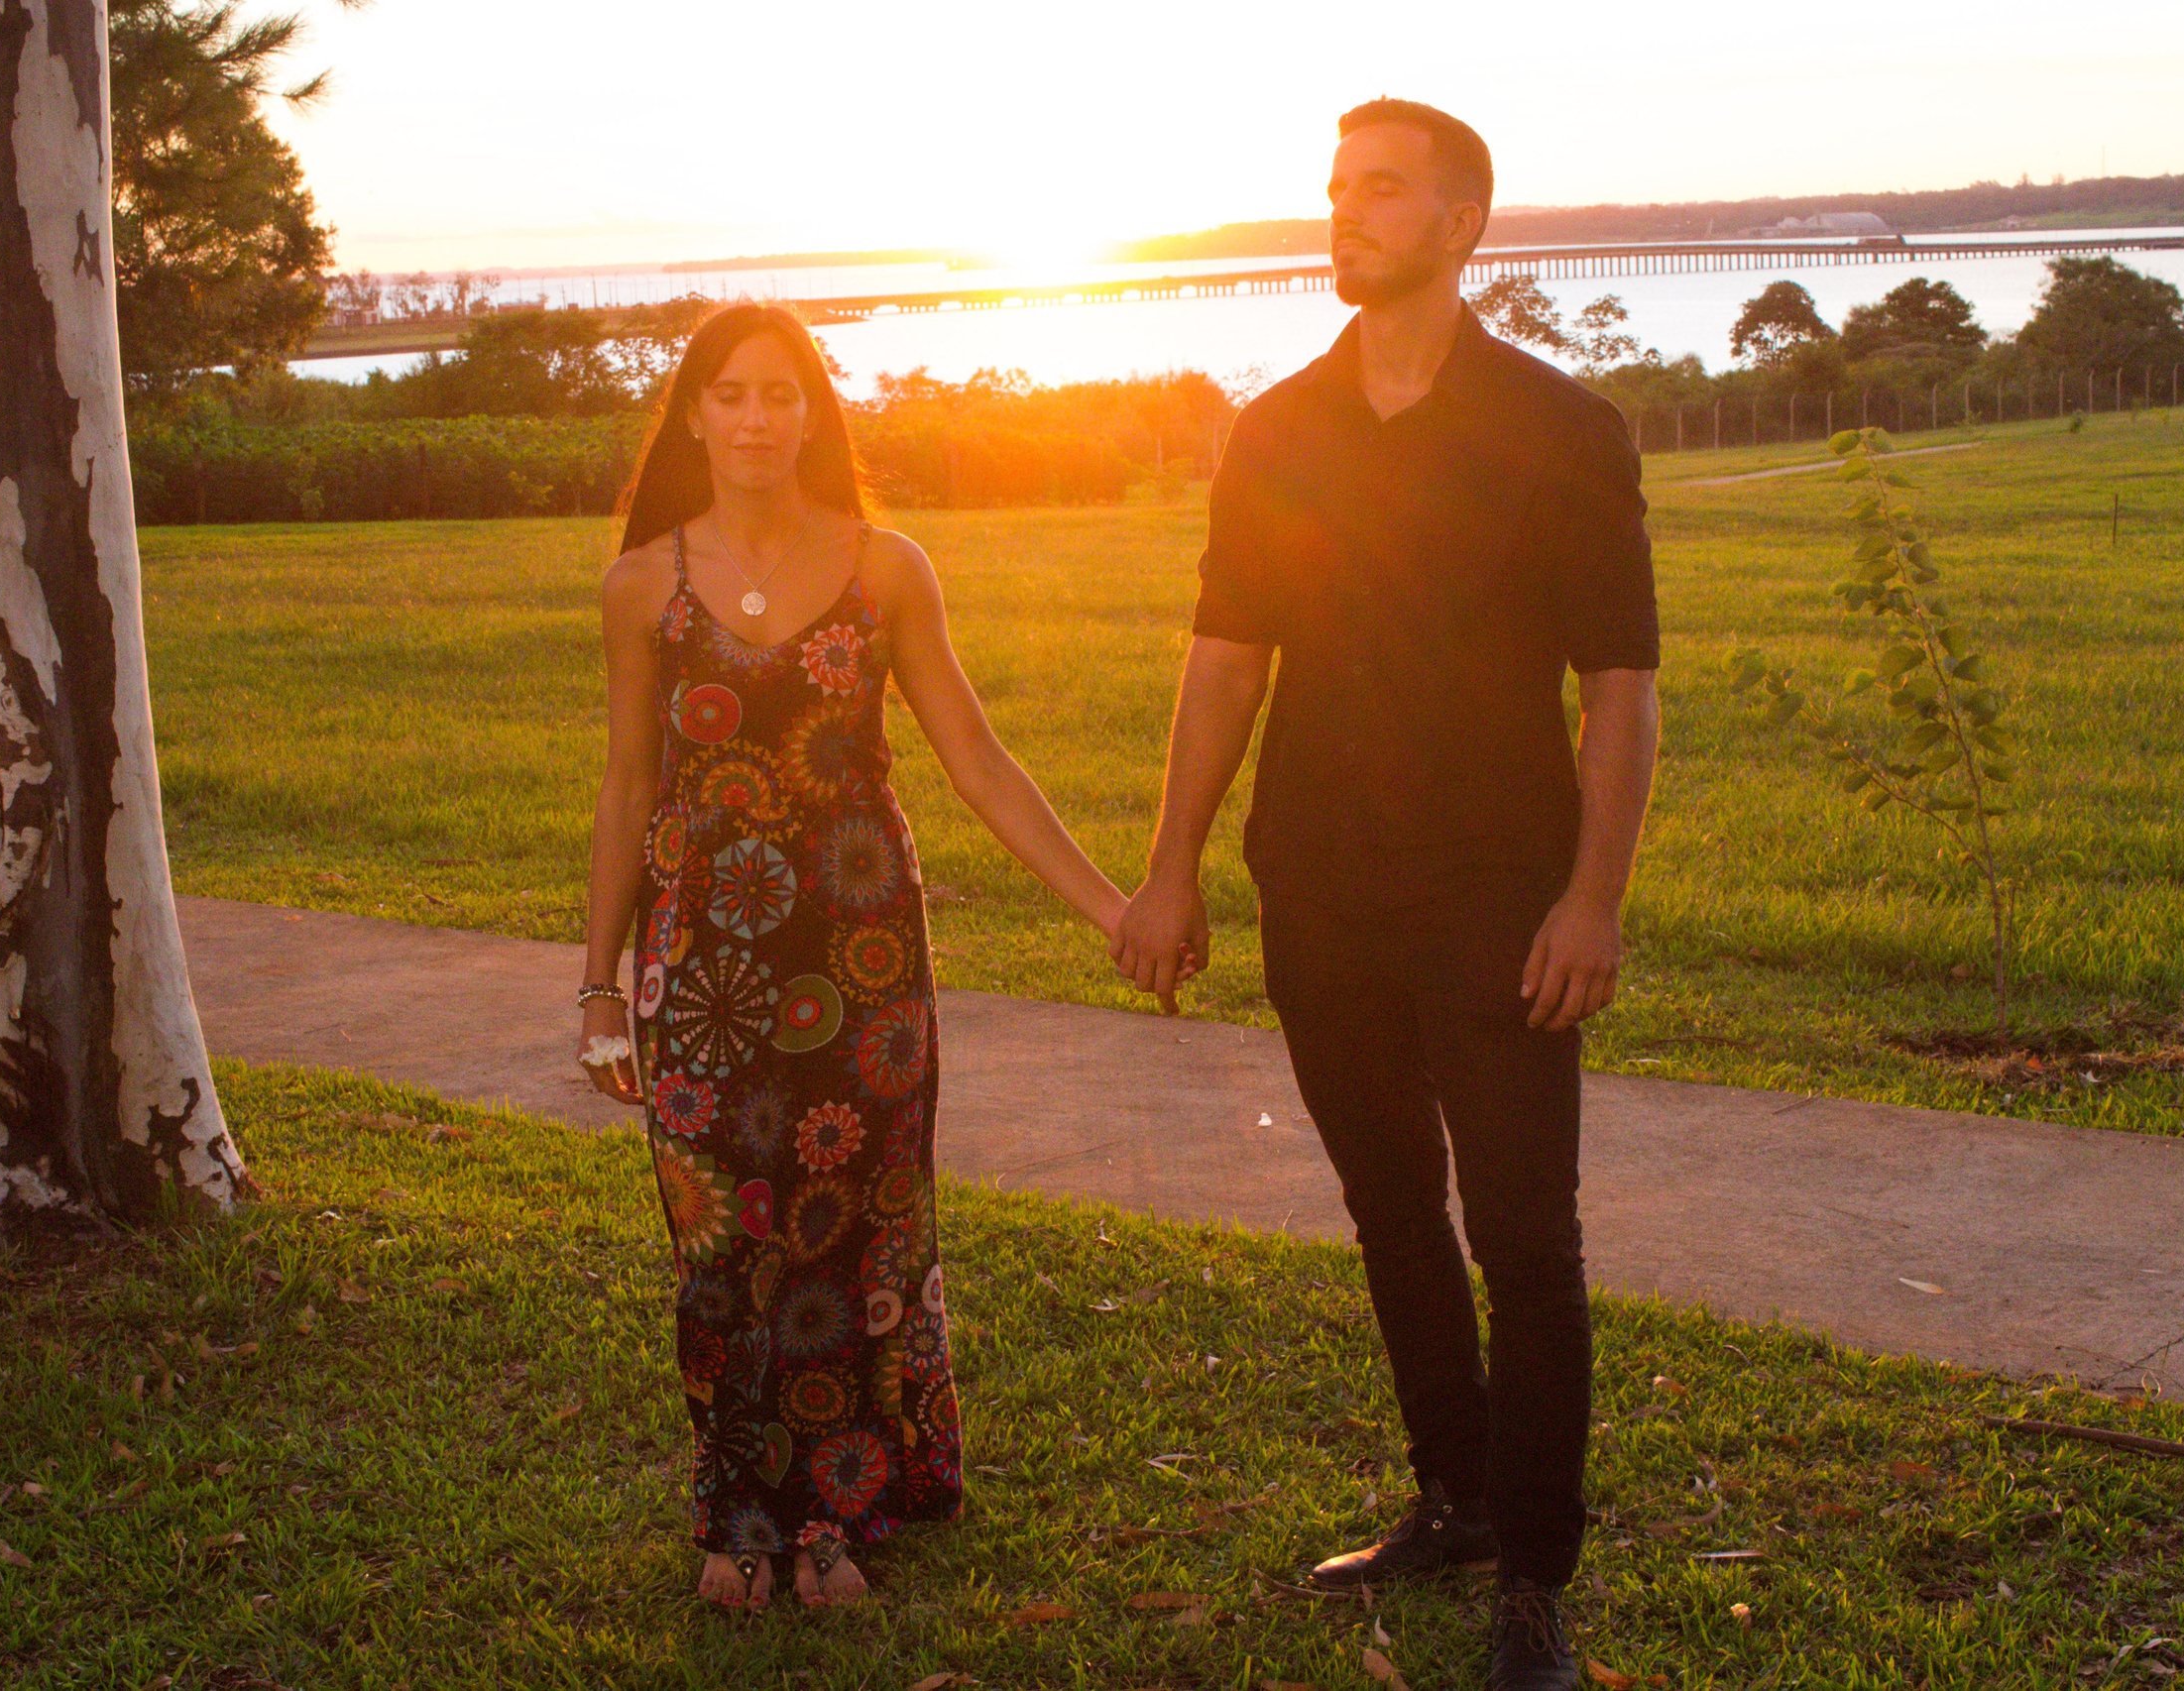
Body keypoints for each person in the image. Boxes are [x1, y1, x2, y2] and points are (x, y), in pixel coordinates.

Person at [1111, 100, 1661, 1691]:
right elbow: (1226, 664)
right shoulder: (1277, 429)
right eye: (1337, 188)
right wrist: (1172, 865)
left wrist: (1593, 898)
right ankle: (1458, 1497)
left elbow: (1620, 689)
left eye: (1382, 192)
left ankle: (1535, 1583)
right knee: (1389, 1209)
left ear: (1462, 223)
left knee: (1525, 1235)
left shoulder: (1564, 429)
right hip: (1322, 889)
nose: (1345, 214)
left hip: (1500, 898)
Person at [576, 303, 1127, 1616]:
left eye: (785, 393)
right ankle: (738, 1507)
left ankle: (829, 1514)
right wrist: (598, 983)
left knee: (849, 1237)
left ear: (814, 413)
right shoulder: (644, 582)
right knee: (719, 1236)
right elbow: (626, 784)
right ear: (695, 414)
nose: (761, 417)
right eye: (734, 393)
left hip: (864, 959)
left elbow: (977, 761)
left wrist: (1109, 907)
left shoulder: (887, 568)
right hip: (701, 958)